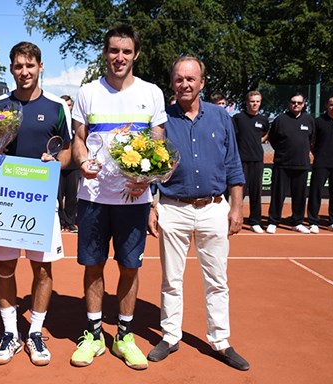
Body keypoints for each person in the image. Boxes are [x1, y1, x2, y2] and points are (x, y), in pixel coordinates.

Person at [70, 24, 166, 370]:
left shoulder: (152, 93)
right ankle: (94, 335)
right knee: (93, 267)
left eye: (126, 51)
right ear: (105, 53)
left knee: (129, 267)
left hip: (133, 200)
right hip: (94, 197)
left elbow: (157, 144)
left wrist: (148, 180)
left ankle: (124, 336)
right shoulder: (87, 93)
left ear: (135, 54)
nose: (119, 57)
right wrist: (82, 162)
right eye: (113, 51)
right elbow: (78, 138)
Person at [147, 55, 249, 371]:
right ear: (172, 83)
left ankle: (220, 341)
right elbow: (152, 165)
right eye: (179, 79)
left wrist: (236, 207)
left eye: (191, 79)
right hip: (172, 208)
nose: (185, 84)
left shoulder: (221, 117)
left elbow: (233, 164)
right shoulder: (161, 119)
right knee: (171, 280)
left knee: (217, 280)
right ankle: (170, 335)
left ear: (202, 83)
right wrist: (153, 204)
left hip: (214, 209)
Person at [0, 41, 72, 366]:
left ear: (40, 67)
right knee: (4, 267)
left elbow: (68, 152)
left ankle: (35, 332)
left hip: (42, 203)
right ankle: (10, 333)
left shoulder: (58, 106)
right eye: (18, 66)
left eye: (30, 66)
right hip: (4, 203)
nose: (24, 72)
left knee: (42, 269)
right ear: (11, 69)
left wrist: (55, 161)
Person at [266, 92, 315, 234]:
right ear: (289, 103)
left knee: (299, 196)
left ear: (303, 104)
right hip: (282, 164)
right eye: (293, 102)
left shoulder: (309, 120)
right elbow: (273, 139)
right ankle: (273, 221)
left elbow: (312, 139)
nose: (296, 105)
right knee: (277, 195)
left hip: (302, 165)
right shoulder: (280, 120)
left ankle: (297, 222)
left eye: (299, 103)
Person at [233, 91, 270, 233]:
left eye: (257, 101)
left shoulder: (263, 120)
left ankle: (255, 222)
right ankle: (235, 219)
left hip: (257, 161)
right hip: (241, 161)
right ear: (247, 102)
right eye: (252, 101)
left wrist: (259, 140)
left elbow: (267, 132)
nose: (255, 104)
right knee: (239, 193)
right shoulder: (238, 118)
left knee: (256, 193)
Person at [307, 95, 333, 233]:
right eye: (331, 104)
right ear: (327, 105)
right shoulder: (318, 122)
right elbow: (311, 142)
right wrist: (318, 155)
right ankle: (313, 222)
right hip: (320, 163)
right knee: (315, 192)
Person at [58, 95, 80, 232]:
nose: (68, 107)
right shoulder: (57, 121)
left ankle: (71, 221)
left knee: (72, 196)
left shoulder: (76, 122)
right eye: (65, 105)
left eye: (69, 105)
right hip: (59, 164)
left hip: (73, 165)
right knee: (58, 196)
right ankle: (60, 221)